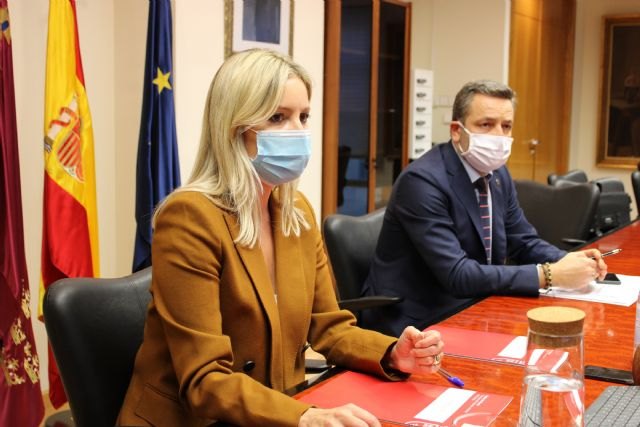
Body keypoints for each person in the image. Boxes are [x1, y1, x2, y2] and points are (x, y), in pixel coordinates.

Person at [117, 49, 445, 427]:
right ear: (233, 126)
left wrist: (392, 354)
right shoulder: (190, 217)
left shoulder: (296, 213)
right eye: (277, 117)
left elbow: (330, 327)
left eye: (303, 116)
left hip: (275, 409)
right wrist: (304, 417)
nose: (298, 131)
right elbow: (204, 379)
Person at [361, 80, 608, 337]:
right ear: (456, 131)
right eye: (486, 125)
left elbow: (523, 241)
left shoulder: (498, 174)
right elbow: (457, 274)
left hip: (475, 305)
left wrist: (568, 261)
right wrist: (549, 274)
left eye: (506, 126)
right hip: (416, 320)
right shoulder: (422, 182)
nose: (499, 136)